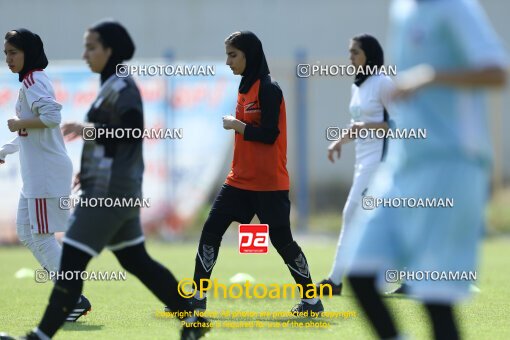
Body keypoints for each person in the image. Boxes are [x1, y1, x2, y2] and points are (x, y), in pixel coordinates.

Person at [0, 21, 209, 340]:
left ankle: (39, 336)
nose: (85, 53)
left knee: (70, 259)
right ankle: (193, 318)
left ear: (110, 51)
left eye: (91, 47)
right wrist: (89, 166)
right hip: (111, 187)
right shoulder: (111, 84)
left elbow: (132, 132)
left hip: (110, 192)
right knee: (136, 261)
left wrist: (88, 130)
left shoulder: (122, 87)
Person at [346, 0, 507, 339]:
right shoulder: (403, 8)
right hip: (403, 166)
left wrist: (429, 76)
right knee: (359, 273)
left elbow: (497, 72)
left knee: (434, 299)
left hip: (451, 165)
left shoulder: (456, 8)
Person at [185, 31, 324, 314]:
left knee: (282, 242)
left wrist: (238, 125)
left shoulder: (269, 88)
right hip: (239, 180)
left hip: (269, 183)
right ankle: (197, 300)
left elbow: (269, 134)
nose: (228, 62)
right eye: (227, 55)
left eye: (233, 55)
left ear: (250, 55)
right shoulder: (243, 87)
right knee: (211, 231)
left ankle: (311, 301)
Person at [0, 28, 91, 322]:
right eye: (6, 53)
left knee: (40, 236)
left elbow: (52, 117)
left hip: (46, 174)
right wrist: (6, 149)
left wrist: (18, 123)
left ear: (29, 52)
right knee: (28, 233)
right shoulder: (30, 81)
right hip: (36, 173)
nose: (8, 58)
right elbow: (29, 131)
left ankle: (71, 297)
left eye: (13, 52)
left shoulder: (34, 79)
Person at [317, 34, 394, 295]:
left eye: (355, 52)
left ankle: (335, 281)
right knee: (381, 221)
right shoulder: (357, 86)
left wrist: (367, 127)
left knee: (351, 213)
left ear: (369, 56)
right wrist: (338, 142)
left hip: (379, 162)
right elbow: (357, 125)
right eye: (349, 52)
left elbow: (402, 123)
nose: (349, 57)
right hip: (362, 162)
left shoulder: (383, 83)